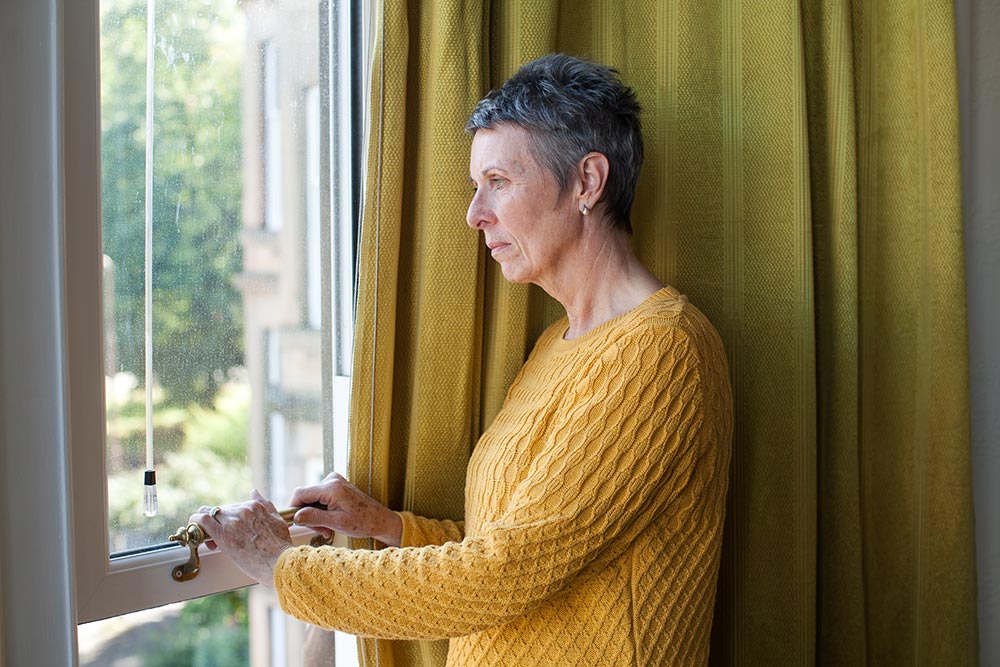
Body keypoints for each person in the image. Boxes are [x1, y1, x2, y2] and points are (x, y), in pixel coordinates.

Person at [193, 53, 732, 666]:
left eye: (498, 182)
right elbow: (520, 548)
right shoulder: (556, 348)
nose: (475, 214)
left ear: (587, 182)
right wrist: (386, 526)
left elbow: (497, 577)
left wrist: (279, 566)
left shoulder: (663, 353)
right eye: (477, 187)